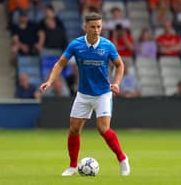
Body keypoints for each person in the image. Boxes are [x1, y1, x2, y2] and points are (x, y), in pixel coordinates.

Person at [39, 12, 130, 176]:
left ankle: (122, 158)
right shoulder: (76, 45)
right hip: (83, 94)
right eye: (93, 27)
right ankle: (73, 166)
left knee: (103, 129)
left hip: (103, 93)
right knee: (74, 129)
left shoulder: (107, 46)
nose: (96, 30)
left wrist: (116, 83)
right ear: (85, 27)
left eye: (99, 27)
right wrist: (50, 81)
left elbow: (120, 65)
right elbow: (60, 64)